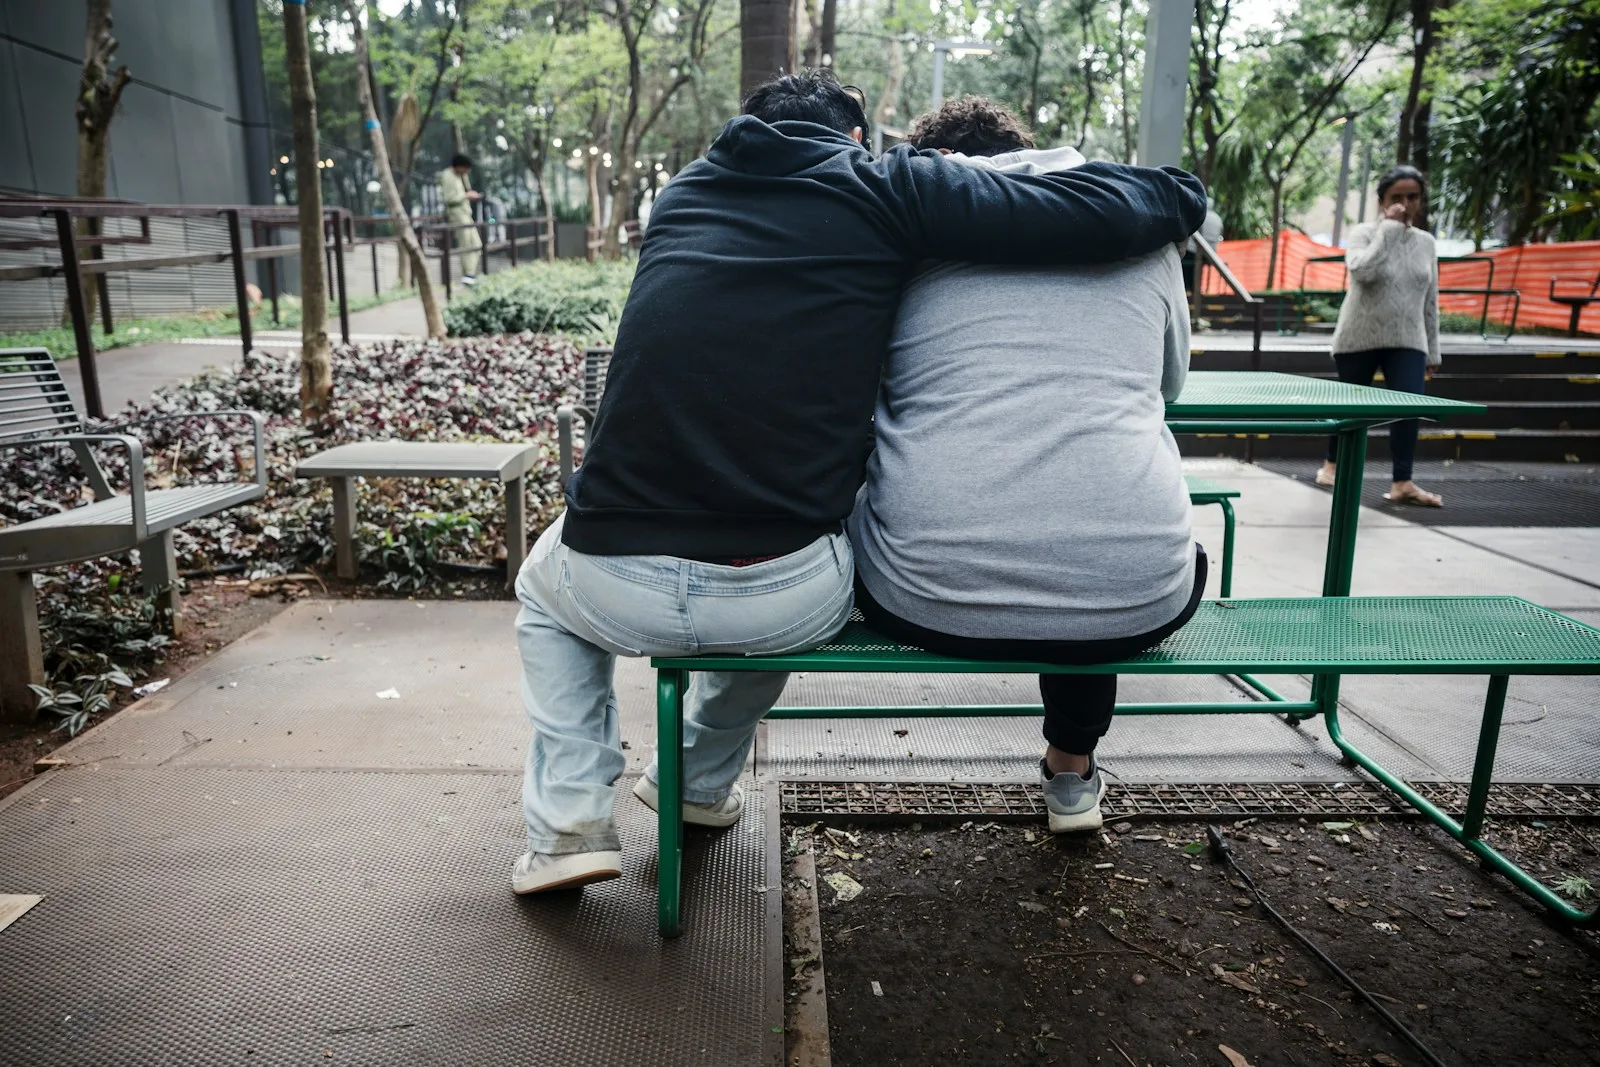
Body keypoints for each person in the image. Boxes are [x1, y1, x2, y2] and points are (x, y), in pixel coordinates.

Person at [510, 70, 1208, 893]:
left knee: (540, 593)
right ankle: (697, 780)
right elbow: (1075, 219)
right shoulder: (879, 185)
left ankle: (567, 828)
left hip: (612, 569)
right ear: (853, 140)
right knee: (799, 562)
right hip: (785, 592)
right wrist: (1179, 194)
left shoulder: (681, 197)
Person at [847, 96, 1206, 834]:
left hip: (922, 591)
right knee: (1095, 513)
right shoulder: (1144, 232)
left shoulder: (901, 236)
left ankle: (704, 747)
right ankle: (1071, 772)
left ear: (932, 170)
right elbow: (1169, 384)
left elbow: (859, 384)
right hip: (1137, 594)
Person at [1316, 164, 1442, 506]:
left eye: (1412, 197)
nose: (1405, 203)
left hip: (1409, 339)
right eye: (1396, 197)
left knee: (1409, 407)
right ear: (1382, 200)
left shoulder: (1426, 243)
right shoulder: (1364, 234)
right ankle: (1332, 462)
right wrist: (1387, 229)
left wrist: (1433, 352)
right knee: (1349, 410)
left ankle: (1403, 481)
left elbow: (1431, 301)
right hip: (1359, 337)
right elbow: (1362, 271)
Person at [438, 152, 483, 285]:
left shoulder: (458, 176)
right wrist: (467, 195)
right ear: (460, 166)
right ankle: (468, 275)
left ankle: (470, 274)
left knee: (476, 244)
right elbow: (449, 199)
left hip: (465, 213)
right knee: (466, 245)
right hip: (457, 214)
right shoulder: (447, 176)